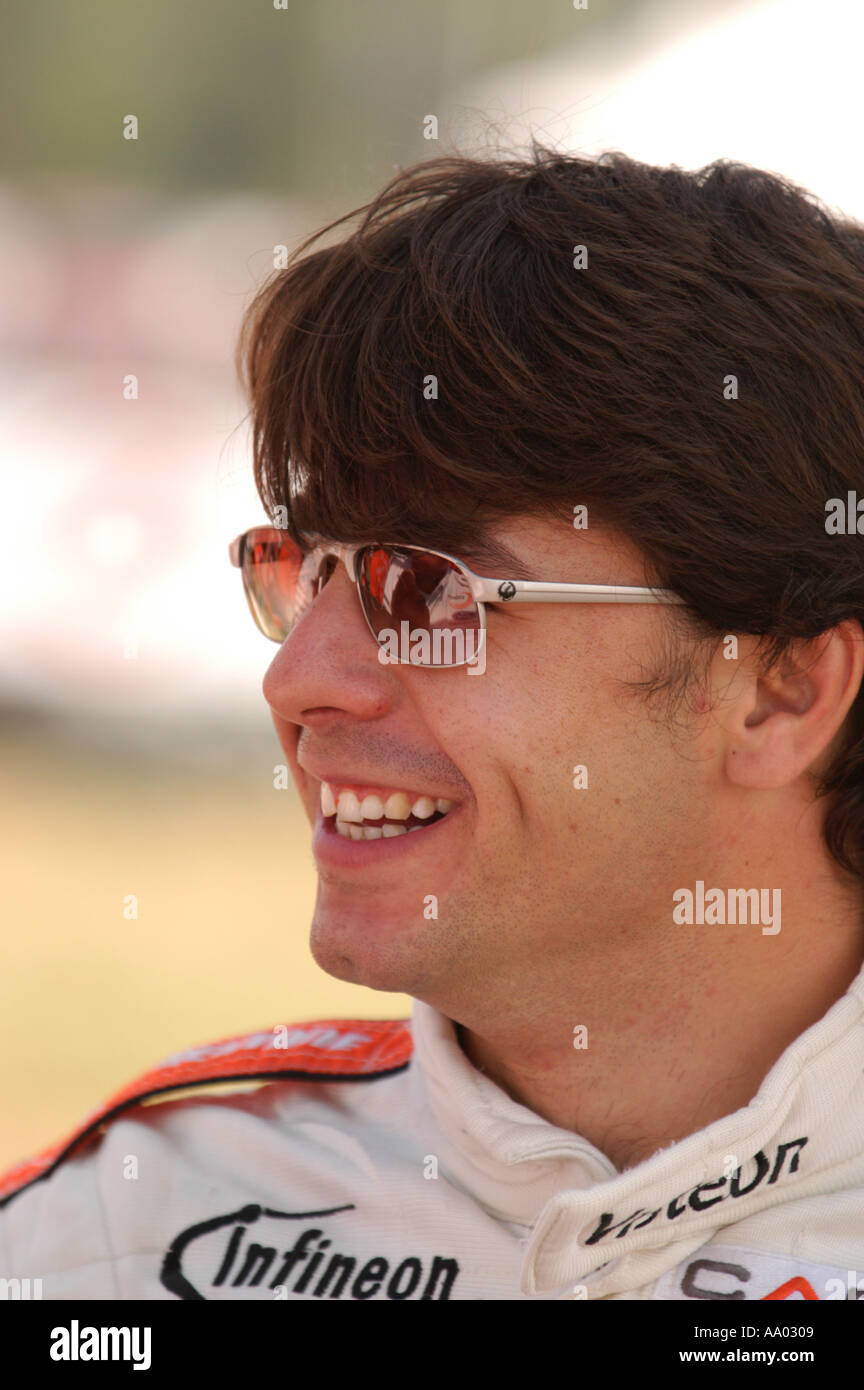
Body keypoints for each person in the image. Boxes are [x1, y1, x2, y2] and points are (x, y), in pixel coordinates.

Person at [3, 144, 864, 1302]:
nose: (299, 682)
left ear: (780, 692)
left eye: (430, 589)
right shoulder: (110, 1237)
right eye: (304, 571)